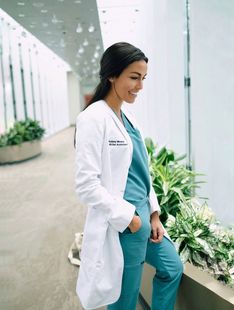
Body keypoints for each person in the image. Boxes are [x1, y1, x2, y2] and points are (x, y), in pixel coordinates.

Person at [74, 42, 183, 310]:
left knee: (172, 268)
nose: (140, 86)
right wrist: (131, 219)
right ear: (112, 75)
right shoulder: (93, 118)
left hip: (146, 220)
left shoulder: (127, 117)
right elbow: (86, 185)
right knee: (124, 301)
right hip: (124, 226)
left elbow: (141, 172)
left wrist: (154, 214)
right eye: (134, 77)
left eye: (143, 78)